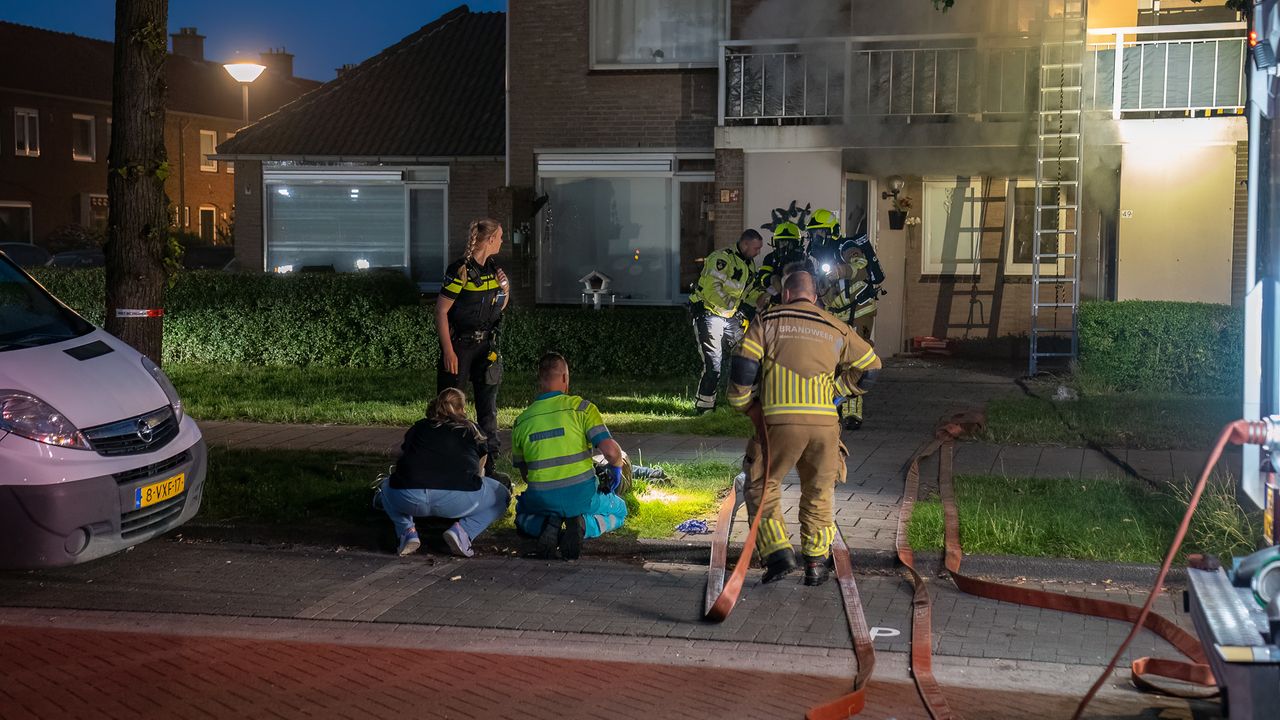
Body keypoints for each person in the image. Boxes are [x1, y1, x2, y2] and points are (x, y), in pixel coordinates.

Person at [727, 270, 881, 586]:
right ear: (814, 297)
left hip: (778, 423)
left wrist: (745, 405)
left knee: (761, 484)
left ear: (786, 294)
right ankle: (816, 564)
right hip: (825, 425)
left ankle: (778, 553)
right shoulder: (836, 326)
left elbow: (744, 366)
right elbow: (872, 367)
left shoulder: (767, 321)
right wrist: (838, 391)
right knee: (819, 492)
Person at [511, 352, 628, 560]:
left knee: (521, 515)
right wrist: (616, 469)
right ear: (565, 378)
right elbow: (610, 452)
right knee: (619, 511)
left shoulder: (522, 421)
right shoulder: (582, 409)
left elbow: (526, 475)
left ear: (540, 379)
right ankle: (584, 525)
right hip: (582, 496)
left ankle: (548, 525)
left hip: (542, 498)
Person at [380, 388, 512, 558]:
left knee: (386, 486)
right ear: (462, 409)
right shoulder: (472, 429)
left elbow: (405, 455)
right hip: (458, 498)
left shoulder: (419, 427)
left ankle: (406, 532)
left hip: (409, 496)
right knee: (502, 495)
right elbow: (481, 470)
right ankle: (463, 532)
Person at [436, 218, 511, 485]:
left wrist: (506, 290)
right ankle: (449, 462)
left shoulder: (493, 269)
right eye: (500, 236)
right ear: (489, 240)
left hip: (485, 347)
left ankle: (488, 466)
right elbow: (442, 311)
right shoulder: (461, 271)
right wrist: (448, 350)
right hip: (461, 347)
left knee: (487, 408)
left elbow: (497, 308)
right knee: (451, 406)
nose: (502, 240)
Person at [688, 229, 765, 414]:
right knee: (713, 364)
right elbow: (712, 291)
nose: (758, 253)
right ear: (745, 244)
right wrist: (738, 308)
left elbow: (749, 291)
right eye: (756, 248)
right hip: (709, 314)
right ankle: (704, 408)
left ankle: (749, 402)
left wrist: (757, 301)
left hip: (729, 317)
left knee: (750, 354)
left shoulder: (748, 264)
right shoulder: (722, 259)